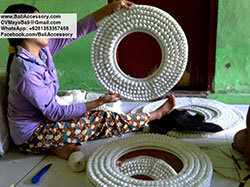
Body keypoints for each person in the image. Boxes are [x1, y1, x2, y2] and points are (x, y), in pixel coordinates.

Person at [4, 1, 176, 160]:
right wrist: (98, 101)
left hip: (46, 122)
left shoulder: (42, 51)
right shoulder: (27, 73)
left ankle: (57, 147)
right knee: (102, 119)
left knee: (86, 115)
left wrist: (110, 8)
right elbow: (54, 113)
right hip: (31, 136)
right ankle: (154, 116)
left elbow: (76, 31)